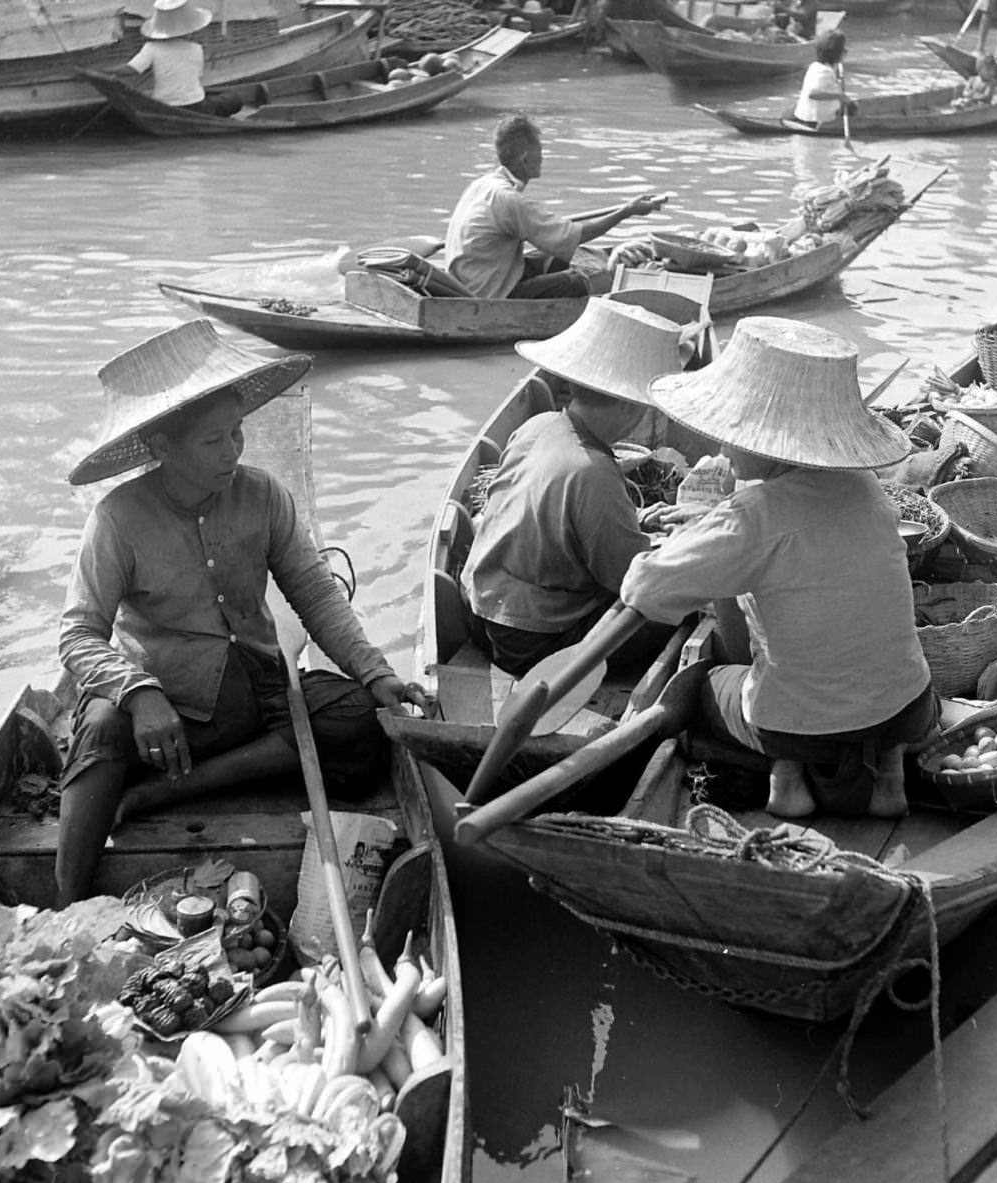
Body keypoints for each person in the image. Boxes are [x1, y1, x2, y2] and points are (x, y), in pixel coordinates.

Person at [55, 320, 414, 904]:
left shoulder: (264, 495)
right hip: (168, 709)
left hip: (257, 691)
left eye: (237, 433)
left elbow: (316, 595)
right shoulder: (117, 518)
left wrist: (376, 673)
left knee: (357, 719)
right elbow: (78, 635)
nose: (232, 451)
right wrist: (139, 692)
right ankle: (67, 901)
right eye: (212, 441)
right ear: (162, 448)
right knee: (98, 726)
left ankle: (166, 791)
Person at [619, 316, 937, 821]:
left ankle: (786, 779)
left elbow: (646, 588)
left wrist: (677, 541)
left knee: (705, 685)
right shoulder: (868, 491)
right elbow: (800, 533)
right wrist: (716, 526)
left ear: (771, 440)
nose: (723, 448)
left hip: (801, 726)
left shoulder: (754, 517)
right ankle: (889, 772)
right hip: (908, 708)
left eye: (733, 435)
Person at [461, 296, 691, 678]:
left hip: (478, 612)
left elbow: (548, 515)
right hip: (532, 643)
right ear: (633, 406)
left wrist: (634, 520)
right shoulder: (593, 471)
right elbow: (627, 579)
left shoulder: (539, 425)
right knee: (675, 608)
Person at [444, 112, 666, 300]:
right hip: (490, 293)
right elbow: (576, 236)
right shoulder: (510, 200)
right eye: (539, 151)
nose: (542, 157)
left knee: (554, 256)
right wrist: (626, 211)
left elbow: (559, 234)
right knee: (582, 280)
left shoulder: (481, 185)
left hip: (472, 277)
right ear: (525, 159)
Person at [118, 0, 243, 116]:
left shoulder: (151, 47)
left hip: (163, 105)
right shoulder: (196, 48)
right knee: (233, 99)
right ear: (188, 29)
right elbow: (196, 76)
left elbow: (130, 70)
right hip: (196, 105)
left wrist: (104, 72)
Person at [791, 30, 849, 128]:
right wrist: (840, 96)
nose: (846, 51)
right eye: (843, 49)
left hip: (810, 116)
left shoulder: (815, 66)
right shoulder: (824, 71)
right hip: (816, 121)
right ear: (835, 53)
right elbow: (813, 94)